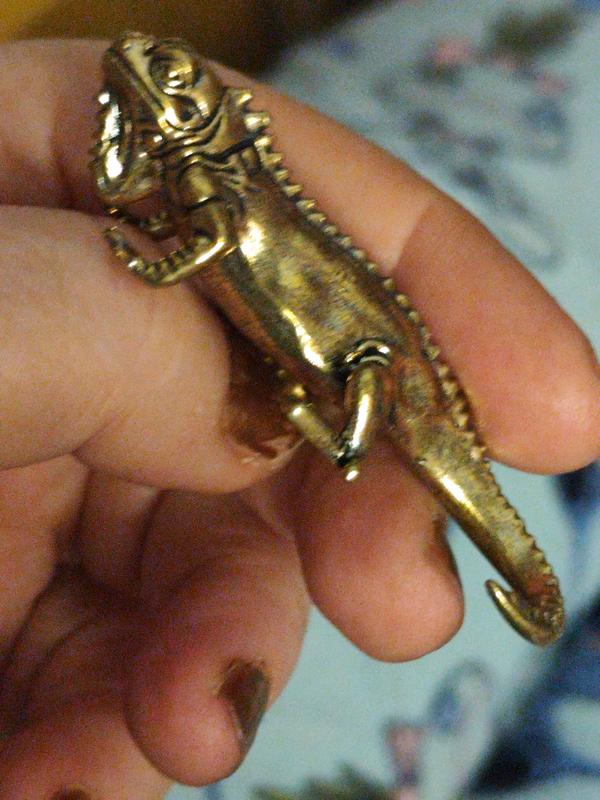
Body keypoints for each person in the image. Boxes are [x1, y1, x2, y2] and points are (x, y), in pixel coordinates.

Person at [0, 38, 597, 800]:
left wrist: (157, 269)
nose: (151, 71)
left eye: (175, 77)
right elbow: (126, 187)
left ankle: (517, 572)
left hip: (372, 360)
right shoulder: (183, 175)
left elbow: (217, 237)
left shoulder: (222, 186)